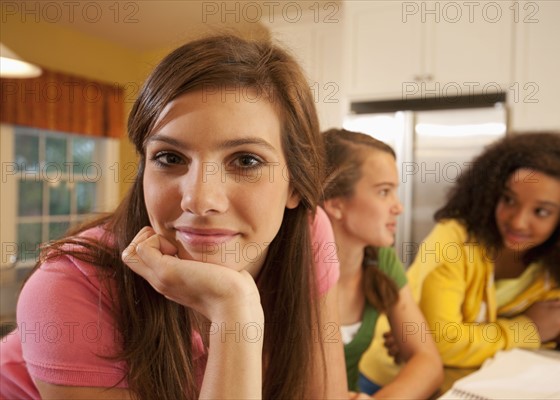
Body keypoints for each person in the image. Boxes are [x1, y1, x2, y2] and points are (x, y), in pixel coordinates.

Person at [0, 34, 348, 399]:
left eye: (246, 161)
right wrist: (235, 312)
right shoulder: (68, 287)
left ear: (296, 184)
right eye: (170, 157)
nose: (199, 200)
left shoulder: (309, 233)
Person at [403, 133, 560, 368]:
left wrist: (476, 338)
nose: (518, 222)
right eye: (509, 199)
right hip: (398, 376)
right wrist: (528, 329)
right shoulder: (453, 241)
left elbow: (544, 330)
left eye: (541, 212)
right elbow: (443, 345)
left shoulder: (558, 261)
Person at [321, 128, 443, 399]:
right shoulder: (289, 271)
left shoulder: (381, 259)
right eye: (384, 192)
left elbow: (428, 361)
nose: (398, 207)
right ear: (335, 204)